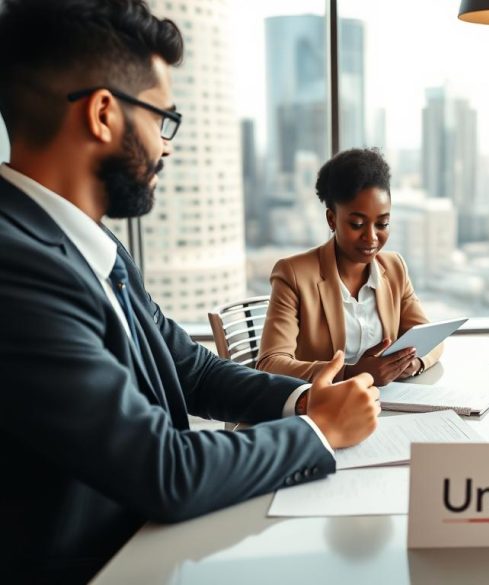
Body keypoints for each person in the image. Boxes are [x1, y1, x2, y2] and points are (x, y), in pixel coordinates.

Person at [0, 1, 380, 581]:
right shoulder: (16, 268)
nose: (166, 146)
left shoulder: (92, 248)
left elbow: (192, 371)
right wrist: (319, 431)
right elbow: (163, 469)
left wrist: (306, 401)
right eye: (162, 119)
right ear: (103, 114)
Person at [257, 148, 442, 385]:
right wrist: (352, 373)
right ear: (332, 219)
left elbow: (430, 338)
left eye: (382, 224)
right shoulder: (293, 275)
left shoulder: (394, 267)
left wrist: (412, 364)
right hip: (324, 403)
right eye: (357, 224)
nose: (371, 237)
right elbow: (270, 364)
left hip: (388, 399)